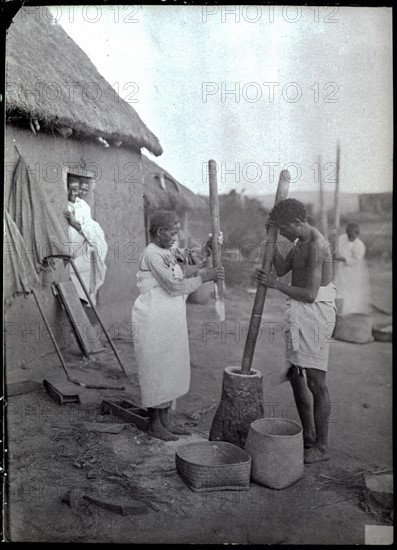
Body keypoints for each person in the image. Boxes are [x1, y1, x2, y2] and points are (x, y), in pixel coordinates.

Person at [132, 210, 224, 441]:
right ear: (160, 232)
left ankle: (166, 420)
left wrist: (208, 248)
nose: (176, 237)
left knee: (172, 364)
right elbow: (174, 286)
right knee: (157, 365)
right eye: (172, 233)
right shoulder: (152, 255)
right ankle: (154, 423)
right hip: (154, 316)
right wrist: (204, 277)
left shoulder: (168, 250)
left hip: (170, 315)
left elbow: (191, 256)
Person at [256, 199, 336, 464]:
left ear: (298, 223)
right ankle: (310, 437)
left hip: (315, 314)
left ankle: (323, 446)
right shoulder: (300, 243)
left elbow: (311, 294)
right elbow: (281, 268)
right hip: (298, 313)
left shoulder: (316, 246)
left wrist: (275, 285)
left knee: (316, 381)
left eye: (286, 230)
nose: (287, 235)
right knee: (295, 374)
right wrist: (271, 237)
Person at [64, 178, 108, 307]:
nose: (74, 193)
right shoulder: (63, 204)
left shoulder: (83, 206)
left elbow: (90, 228)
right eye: (70, 189)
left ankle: (83, 301)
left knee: (83, 286)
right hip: (69, 250)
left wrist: (75, 224)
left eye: (76, 190)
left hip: (83, 249)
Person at [333, 222, 371, 315]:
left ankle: (349, 311)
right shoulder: (342, 238)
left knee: (350, 290)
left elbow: (356, 260)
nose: (350, 238)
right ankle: (338, 309)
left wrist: (341, 258)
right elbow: (336, 248)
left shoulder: (360, 245)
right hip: (340, 269)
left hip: (352, 270)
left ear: (357, 234)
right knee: (339, 287)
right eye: (349, 235)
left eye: (352, 236)